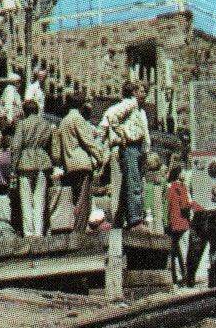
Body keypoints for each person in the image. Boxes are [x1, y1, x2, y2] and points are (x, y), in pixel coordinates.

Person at [100, 81, 152, 229]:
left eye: (146, 92)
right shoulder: (130, 104)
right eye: (142, 91)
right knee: (133, 183)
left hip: (138, 149)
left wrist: (145, 150)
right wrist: (122, 133)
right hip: (130, 147)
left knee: (131, 184)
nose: (144, 95)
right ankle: (135, 219)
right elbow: (112, 116)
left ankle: (123, 218)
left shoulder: (141, 110)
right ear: (135, 92)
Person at [53, 92, 105, 233]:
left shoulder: (63, 122)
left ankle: (74, 228)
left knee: (75, 198)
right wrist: (100, 157)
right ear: (81, 105)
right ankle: (79, 231)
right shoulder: (78, 119)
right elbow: (88, 141)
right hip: (82, 163)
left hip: (69, 165)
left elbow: (57, 151)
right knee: (84, 200)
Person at [12, 98, 54, 239]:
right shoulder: (47, 124)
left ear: (25, 111)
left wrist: (13, 167)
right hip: (42, 160)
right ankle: (39, 231)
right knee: (40, 198)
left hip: (25, 161)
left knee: (26, 199)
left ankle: (29, 232)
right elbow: (51, 147)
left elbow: (16, 146)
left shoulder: (22, 124)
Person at [165, 161, 196, 285]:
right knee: (184, 251)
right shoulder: (181, 187)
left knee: (173, 252)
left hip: (172, 222)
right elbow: (184, 205)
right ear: (179, 174)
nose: (184, 173)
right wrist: (193, 204)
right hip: (183, 222)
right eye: (182, 171)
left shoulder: (169, 186)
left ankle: (175, 276)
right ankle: (186, 276)